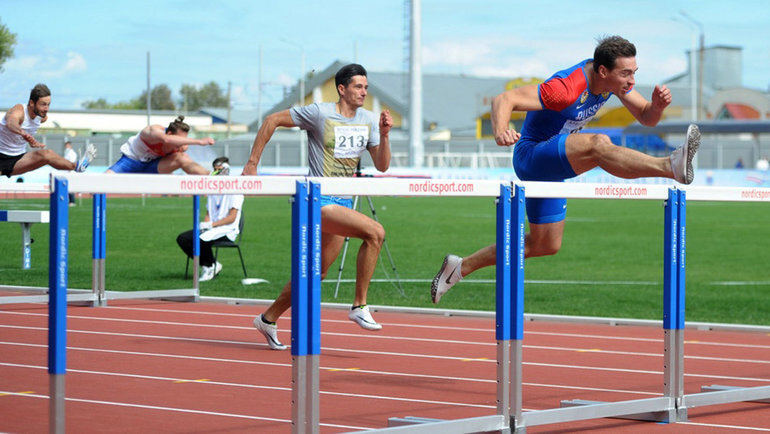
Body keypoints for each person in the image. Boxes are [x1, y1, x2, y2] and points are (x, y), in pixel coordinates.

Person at [431, 35, 701, 304]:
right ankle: (669, 166)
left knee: (545, 244)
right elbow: (504, 99)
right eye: (626, 74)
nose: (631, 81)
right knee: (598, 145)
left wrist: (657, 106)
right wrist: (501, 131)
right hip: (532, 156)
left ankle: (460, 267)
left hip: (556, 161)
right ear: (603, 70)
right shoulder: (565, 88)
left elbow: (646, 117)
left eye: (634, 73)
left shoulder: (613, 82)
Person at [243, 63, 393, 350]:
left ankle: (268, 318)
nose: (364, 92)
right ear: (342, 89)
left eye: (366, 87)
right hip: (317, 201)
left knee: (316, 273)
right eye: (358, 87)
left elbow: (383, 166)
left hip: (343, 200)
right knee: (375, 232)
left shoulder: (370, 119)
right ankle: (359, 304)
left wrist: (385, 135)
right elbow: (272, 120)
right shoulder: (320, 112)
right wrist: (252, 163)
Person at [0, 84, 95, 178]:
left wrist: (30, 142)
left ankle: (76, 166)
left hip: (18, 159)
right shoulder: (19, 110)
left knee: (47, 154)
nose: (46, 109)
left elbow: (19, 136)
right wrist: (22, 133)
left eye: (48, 104)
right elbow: (11, 123)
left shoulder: (42, 118)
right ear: (32, 103)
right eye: (43, 104)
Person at [176, 156, 244, 281]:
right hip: (212, 227)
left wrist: (211, 225)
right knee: (183, 238)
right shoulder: (212, 190)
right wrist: (205, 224)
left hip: (227, 230)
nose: (217, 173)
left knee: (201, 239)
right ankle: (210, 264)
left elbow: (232, 218)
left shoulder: (236, 190)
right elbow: (209, 213)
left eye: (220, 169)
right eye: (215, 170)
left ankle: (209, 266)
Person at [106, 116, 214, 174]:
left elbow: (184, 159)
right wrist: (200, 142)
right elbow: (166, 139)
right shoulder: (152, 131)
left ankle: (211, 176)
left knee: (183, 158)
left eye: (183, 140)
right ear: (170, 133)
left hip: (153, 166)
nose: (181, 143)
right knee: (103, 182)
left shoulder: (182, 146)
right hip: (130, 161)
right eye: (179, 139)